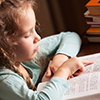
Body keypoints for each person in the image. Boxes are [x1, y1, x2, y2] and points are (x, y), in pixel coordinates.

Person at [0, 0, 94, 100]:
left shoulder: (31, 53)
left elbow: (71, 36)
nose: (38, 37)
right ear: (5, 44)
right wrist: (64, 70)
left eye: (34, 29)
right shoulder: (4, 79)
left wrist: (61, 58)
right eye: (27, 35)